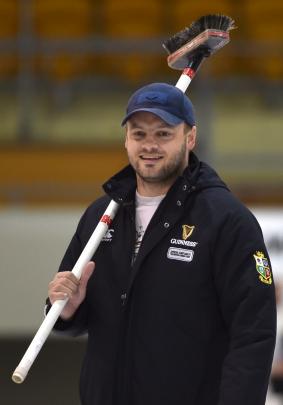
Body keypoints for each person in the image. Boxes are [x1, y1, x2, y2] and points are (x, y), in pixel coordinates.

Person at [46, 82, 276, 405]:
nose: (149, 145)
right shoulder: (100, 216)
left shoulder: (226, 220)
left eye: (164, 134)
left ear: (190, 137)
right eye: (139, 134)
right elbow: (72, 319)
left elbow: (254, 333)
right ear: (126, 140)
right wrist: (68, 310)